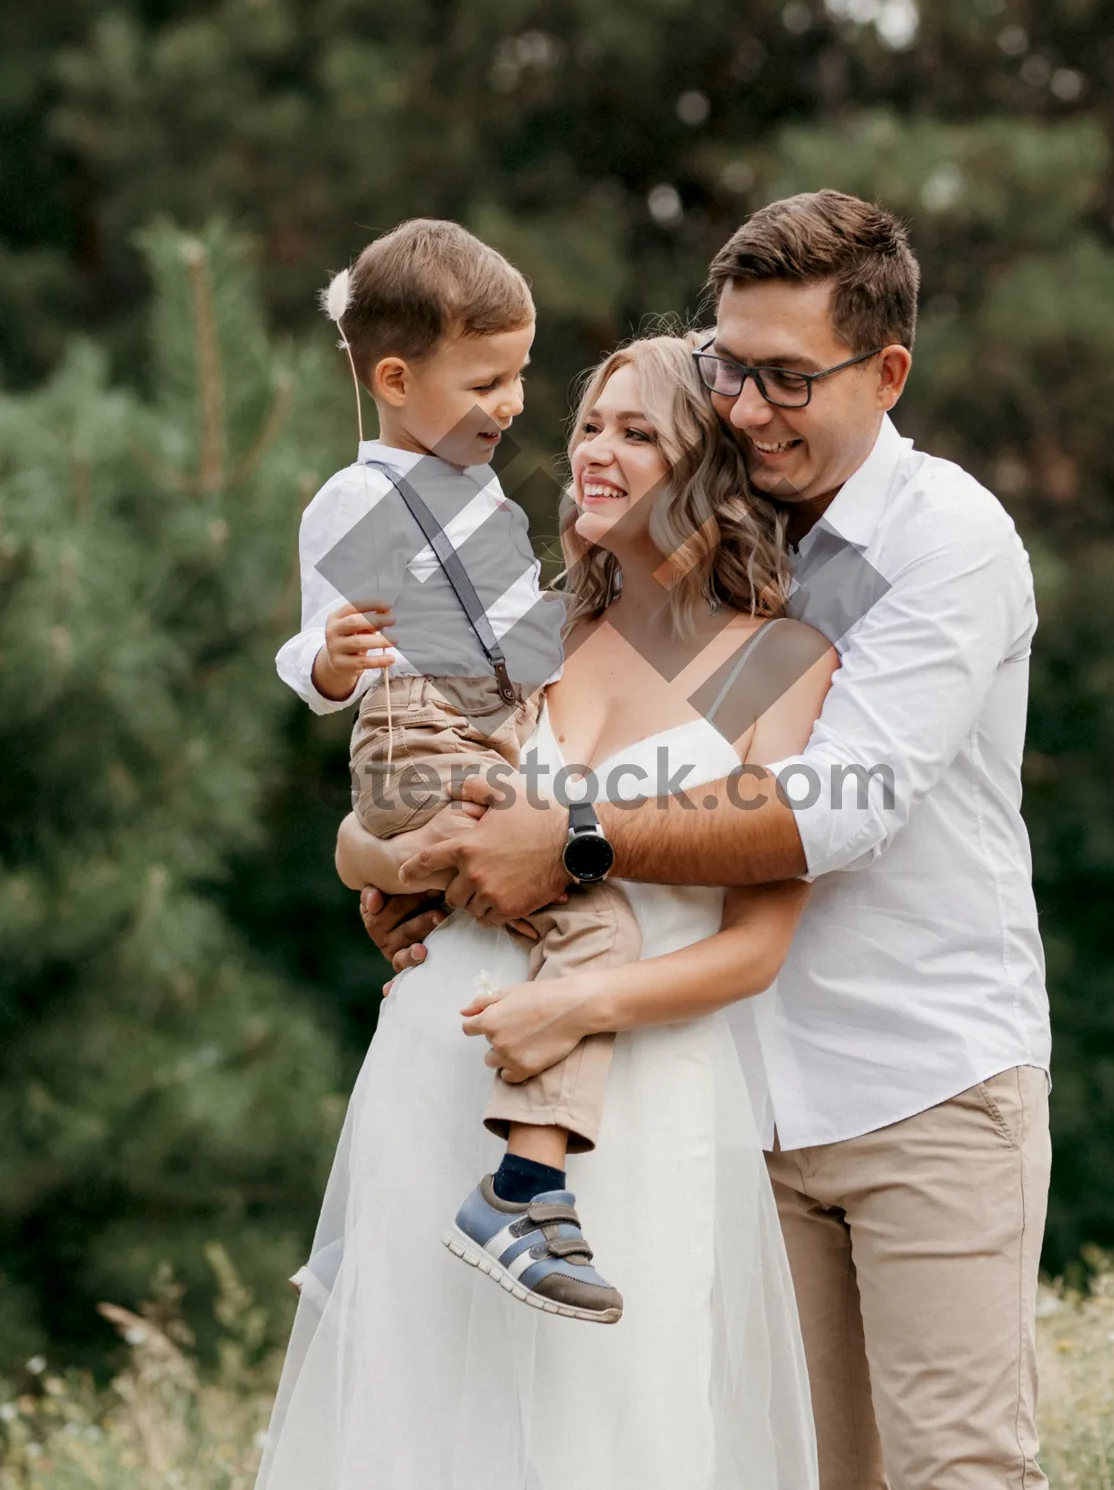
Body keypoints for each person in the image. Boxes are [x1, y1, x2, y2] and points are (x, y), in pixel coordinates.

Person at [374, 192, 1054, 1490]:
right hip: (718, 1096)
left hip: (921, 1081)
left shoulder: (947, 544)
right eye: (731, 367)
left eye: (788, 377)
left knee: (955, 1472)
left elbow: (835, 812)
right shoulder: (695, 540)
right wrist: (445, 874)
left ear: (887, 372)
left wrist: (564, 844)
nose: (746, 405)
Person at [257, 333, 835, 1490]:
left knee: (616, 1439)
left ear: (711, 467)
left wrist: (572, 1005)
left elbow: (755, 951)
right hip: (441, 1063)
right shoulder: (535, 630)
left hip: (634, 1098)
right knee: (421, 1430)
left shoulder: (775, 662)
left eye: (638, 432)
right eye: (589, 427)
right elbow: (379, 815)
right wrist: (375, 861)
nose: (595, 454)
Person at [274, 217, 640, 1320]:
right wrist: (329, 661)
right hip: (419, 739)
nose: (514, 403)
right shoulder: (361, 497)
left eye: (521, 374)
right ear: (395, 378)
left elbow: (514, 649)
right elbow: (314, 646)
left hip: (471, 733)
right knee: (594, 925)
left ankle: (371, 1232)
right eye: (488, 379)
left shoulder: (480, 498)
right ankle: (523, 1193)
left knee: (459, 954)